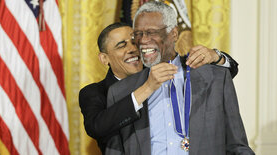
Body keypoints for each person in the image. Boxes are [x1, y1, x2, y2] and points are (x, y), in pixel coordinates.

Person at [106, 1, 254, 155]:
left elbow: (237, 146)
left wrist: (217, 55)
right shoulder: (121, 92)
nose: (143, 40)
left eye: (152, 32)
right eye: (138, 34)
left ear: (173, 33)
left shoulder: (214, 78)